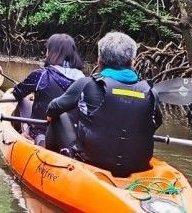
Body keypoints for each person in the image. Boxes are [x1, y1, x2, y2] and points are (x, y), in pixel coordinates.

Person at [45, 31, 162, 177]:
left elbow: (53, 107)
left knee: (59, 115)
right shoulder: (151, 92)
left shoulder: (86, 84)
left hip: (91, 162)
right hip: (138, 166)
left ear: (99, 60)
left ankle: (46, 160)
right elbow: (156, 123)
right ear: (132, 62)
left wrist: (50, 116)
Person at [11, 33, 85, 143]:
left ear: (51, 52)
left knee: (22, 99)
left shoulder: (42, 74)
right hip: (69, 137)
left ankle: (19, 133)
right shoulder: (84, 80)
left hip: (40, 133)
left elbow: (17, 92)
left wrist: (29, 92)